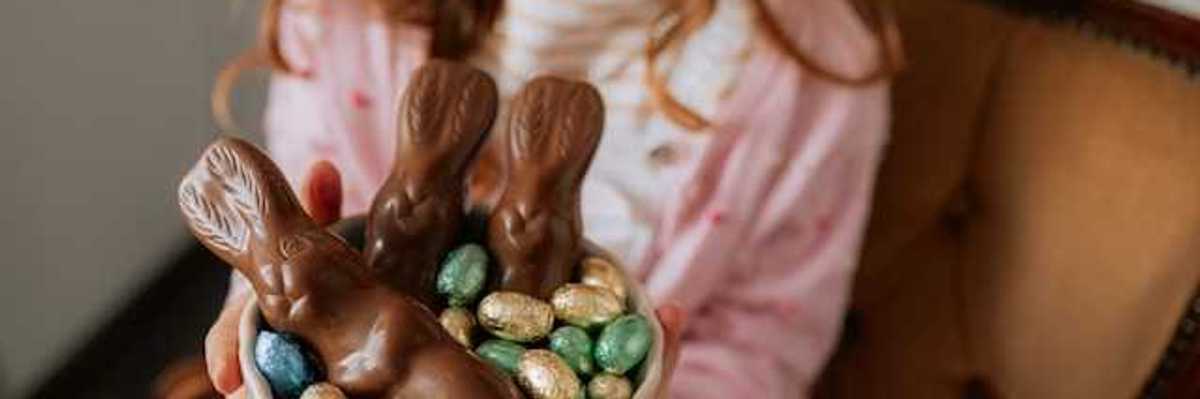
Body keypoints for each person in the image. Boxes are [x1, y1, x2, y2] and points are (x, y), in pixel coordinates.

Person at [206, 0, 902, 397]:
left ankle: (528, 232)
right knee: (356, 263)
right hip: (365, 343)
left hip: (585, 352)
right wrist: (264, 312)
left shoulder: (817, 78)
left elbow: (766, 339)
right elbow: (308, 207)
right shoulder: (345, 15)